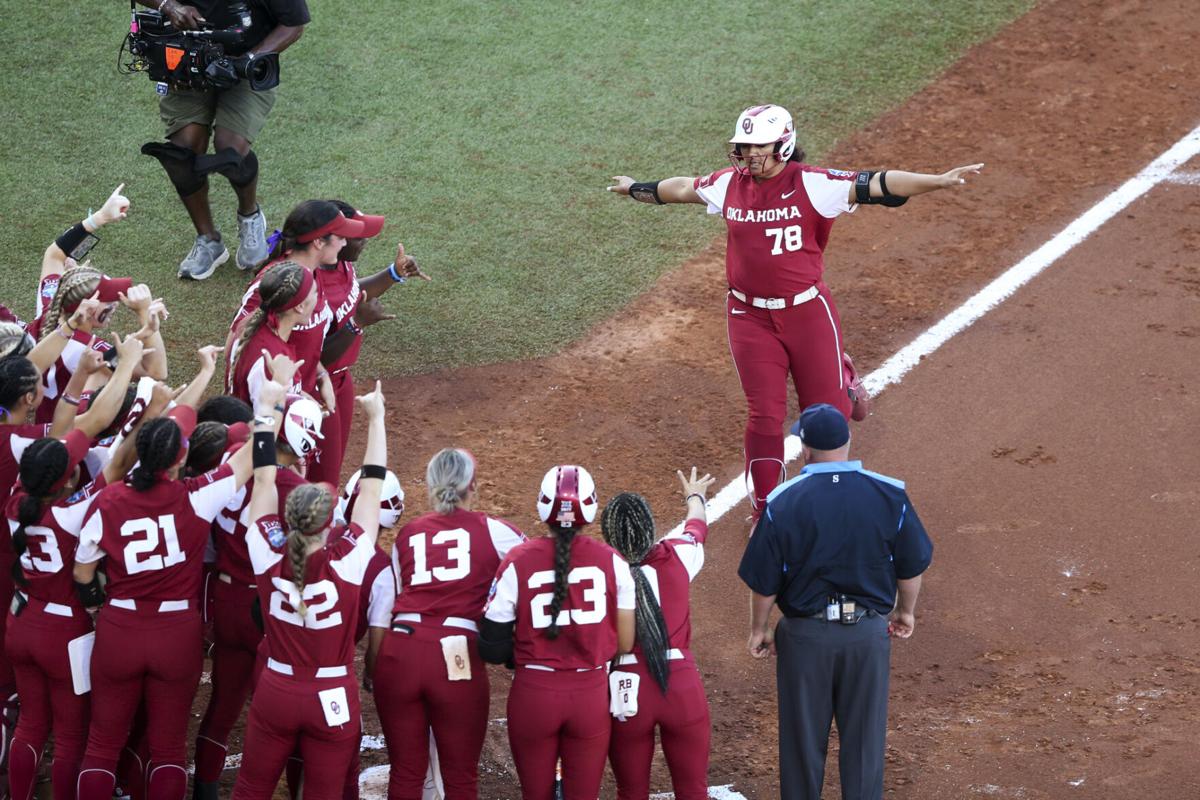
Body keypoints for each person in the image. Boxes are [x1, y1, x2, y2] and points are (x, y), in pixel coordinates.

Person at [607, 104, 983, 521]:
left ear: (783, 144)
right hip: (748, 319)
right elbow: (680, 189)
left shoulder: (814, 183)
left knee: (829, 416)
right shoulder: (729, 184)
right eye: (744, 146)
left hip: (807, 315)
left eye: (759, 146)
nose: (750, 155)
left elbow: (879, 183)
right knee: (764, 416)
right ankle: (766, 510)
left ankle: (841, 386)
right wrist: (636, 187)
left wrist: (939, 181)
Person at [71, 372, 272, 800]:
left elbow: (83, 571)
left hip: (120, 629)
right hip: (176, 635)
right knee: (167, 749)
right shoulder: (195, 497)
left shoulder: (109, 502)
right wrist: (268, 412)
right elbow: (252, 458)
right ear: (180, 460)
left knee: (102, 746)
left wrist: (95, 604)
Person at [737, 404, 933, 800]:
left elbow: (765, 582)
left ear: (805, 449)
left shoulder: (783, 501)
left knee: (802, 744)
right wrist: (904, 611)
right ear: (849, 440)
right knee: (863, 746)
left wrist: (760, 629)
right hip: (866, 636)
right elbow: (911, 565)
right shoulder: (889, 494)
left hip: (805, 638)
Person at [4, 374, 169, 800]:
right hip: (65, 635)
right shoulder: (74, 512)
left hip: (21, 622)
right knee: (71, 736)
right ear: (65, 480)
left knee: (31, 725)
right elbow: (115, 462)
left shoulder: (16, 500)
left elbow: (77, 439)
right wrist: (145, 413)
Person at [231, 379, 388, 800]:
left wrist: (265, 410)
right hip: (333, 695)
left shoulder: (266, 549)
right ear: (327, 523)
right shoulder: (350, 558)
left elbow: (263, 480)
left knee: (250, 788)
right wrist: (377, 419)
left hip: (277, 689)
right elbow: (372, 485)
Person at [190, 391, 322, 800]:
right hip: (265, 609)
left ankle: (205, 791)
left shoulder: (232, 456)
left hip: (223, 598)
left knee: (223, 706)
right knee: (289, 713)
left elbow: (249, 438)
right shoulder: (297, 488)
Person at [374, 448, 525, 800]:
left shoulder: (407, 533)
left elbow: (396, 595)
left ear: (430, 485)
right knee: (459, 778)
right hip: (456, 655)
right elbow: (534, 571)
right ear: (473, 485)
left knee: (407, 773)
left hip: (400, 650)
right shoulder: (496, 531)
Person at [480, 465, 636, 800]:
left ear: (543, 507)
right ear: (591, 510)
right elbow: (624, 643)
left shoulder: (517, 560)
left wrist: (519, 655)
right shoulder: (614, 563)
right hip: (590, 697)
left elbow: (491, 647)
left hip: (533, 696)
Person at [136, 0, 310, 279]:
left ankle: (250, 216)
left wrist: (247, 61)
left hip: (246, 63)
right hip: (186, 58)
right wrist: (169, 6)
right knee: (183, 152)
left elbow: (293, 24)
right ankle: (209, 240)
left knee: (231, 152)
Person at [602, 467, 716, 800]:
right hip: (680, 686)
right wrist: (695, 496)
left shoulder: (599, 571)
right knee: (693, 790)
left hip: (625, 690)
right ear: (650, 528)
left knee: (630, 792)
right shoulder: (679, 553)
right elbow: (697, 524)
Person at [309, 199, 429, 484]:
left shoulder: (339, 266)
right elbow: (314, 360)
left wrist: (394, 273)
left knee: (332, 467)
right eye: (356, 236)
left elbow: (353, 291)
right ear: (333, 240)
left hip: (341, 382)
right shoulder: (311, 285)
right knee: (322, 481)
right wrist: (357, 323)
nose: (364, 241)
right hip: (314, 390)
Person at [226, 261, 317, 405]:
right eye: (315, 293)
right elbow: (265, 420)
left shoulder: (253, 325)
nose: (318, 299)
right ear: (300, 306)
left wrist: (299, 396)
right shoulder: (271, 358)